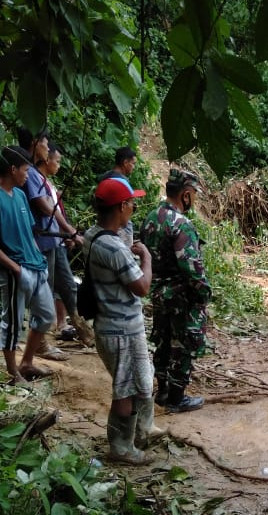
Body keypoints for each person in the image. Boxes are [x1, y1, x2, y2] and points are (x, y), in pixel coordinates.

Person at [85, 177, 162, 464]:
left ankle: (143, 430)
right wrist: (147, 258)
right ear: (120, 206)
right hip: (119, 329)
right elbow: (141, 286)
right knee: (125, 388)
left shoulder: (94, 235)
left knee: (142, 378)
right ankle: (121, 447)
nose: (133, 207)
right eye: (131, 203)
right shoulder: (113, 248)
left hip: (124, 325)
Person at [0, 146, 56, 383]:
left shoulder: (20, 195)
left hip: (35, 265)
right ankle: (13, 372)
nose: (27, 174)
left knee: (46, 315)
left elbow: (28, 231)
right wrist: (13, 267)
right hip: (16, 269)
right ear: (12, 169)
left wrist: (36, 255)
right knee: (12, 322)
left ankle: (27, 363)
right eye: (25, 169)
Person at [139, 169, 210, 413]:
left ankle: (162, 391)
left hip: (158, 292)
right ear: (186, 195)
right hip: (181, 295)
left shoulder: (151, 217)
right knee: (184, 343)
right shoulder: (181, 224)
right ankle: (177, 397)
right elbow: (191, 266)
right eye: (193, 195)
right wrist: (203, 292)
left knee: (163, 340)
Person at [18, 129, 77, 362]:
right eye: (44, 143)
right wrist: (68, 229)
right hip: (41, 239)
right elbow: (43, 205)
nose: (47, 147)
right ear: (35, 144)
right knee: (42, 291)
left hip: (50, 238)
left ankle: (41, 338)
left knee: (49, 288)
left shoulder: (37, 176)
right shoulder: (30, 173)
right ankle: (38, 342)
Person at [35, 145, 93, 346]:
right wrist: (69, 231)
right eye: (57, 161)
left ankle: (78, 325)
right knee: (46, 287)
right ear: (46, 159)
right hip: (45, 240)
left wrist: (66, 234)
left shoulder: (47, 183)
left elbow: (57, 210)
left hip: (56, 239)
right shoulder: (34, 179)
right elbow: (46, 208)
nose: (59, 165)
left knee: (67, 285)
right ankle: (40, 337)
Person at [97, 146, 137, 246]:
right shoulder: (122, 181)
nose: (134, 167)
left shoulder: (105, 176)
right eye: (133, 163)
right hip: (119, 225)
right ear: (125, 162)